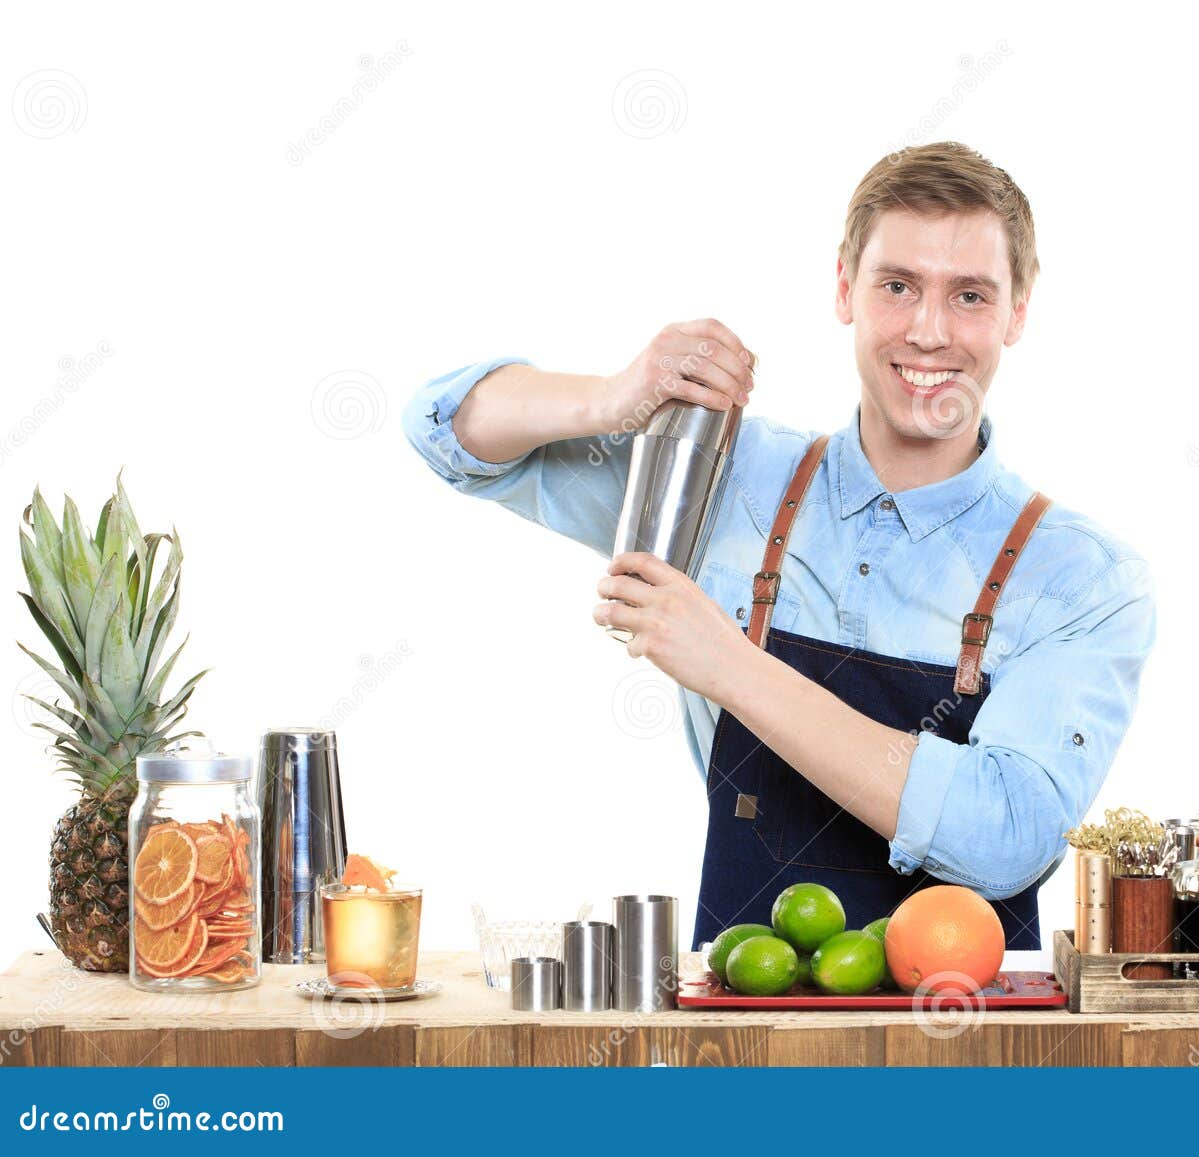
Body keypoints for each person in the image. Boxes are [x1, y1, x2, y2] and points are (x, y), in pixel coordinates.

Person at [403, 141, 1156, 951]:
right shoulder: (725, 477)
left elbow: (1007, 833)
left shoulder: (1082, 577)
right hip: (743, 1020)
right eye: (897, 286)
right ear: (844, 288)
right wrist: (615, 397)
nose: (930, 331)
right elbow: (446, 429)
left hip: (966, 1040)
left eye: (969, 295)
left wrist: (727, 661)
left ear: (1018, 311)